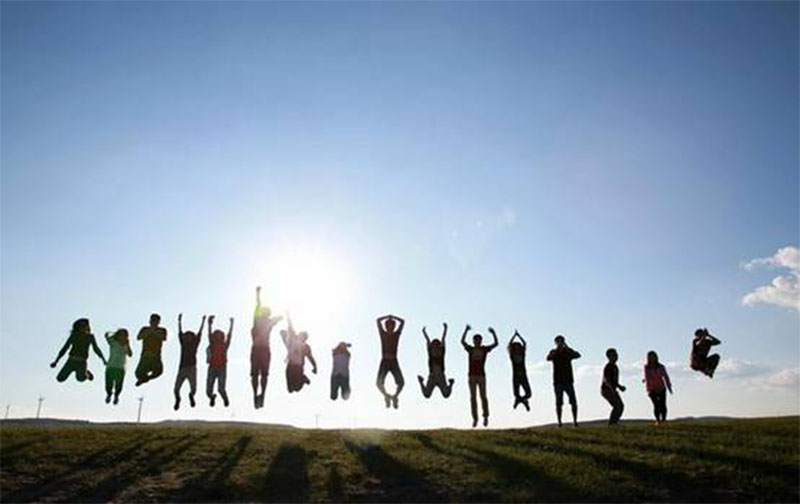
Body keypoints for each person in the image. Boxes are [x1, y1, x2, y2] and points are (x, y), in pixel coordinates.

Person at [251, 286, 283, 409]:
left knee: (263, 374)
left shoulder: (268, 321)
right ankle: (256, 395)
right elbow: (258, 305)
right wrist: (258, 294)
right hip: (258, 349)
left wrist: (280, 317)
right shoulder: (258, 320)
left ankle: (261, 395)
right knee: (255, 374)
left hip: (263, 349)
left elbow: (279, 317)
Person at [461, 325, 499, 427]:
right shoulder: (470, 349)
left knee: (483, 396)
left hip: (481, 376)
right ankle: (475, 419)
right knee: (473, 397)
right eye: (475, 340)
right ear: (473, 341)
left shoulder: (484, 349)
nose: (477, 342)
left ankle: (485, 416)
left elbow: (496, 344)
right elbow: (462, 342)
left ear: (481, 341)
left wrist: (493, 333)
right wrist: (466, 331)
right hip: (472, 376)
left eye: (479, 340)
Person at [50, 318, 106, 383]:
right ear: (78, 328)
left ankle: (86, 373)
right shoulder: (74, 336)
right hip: (71, 361)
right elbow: (64, 348)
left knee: (80, 379)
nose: (83, 329)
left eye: (85, 327)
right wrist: (56, 361)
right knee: (60, 378)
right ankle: (83, 372)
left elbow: (96, 349)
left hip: (81, 362)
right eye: (81, 327)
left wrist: (103, 359)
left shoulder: (90, 337)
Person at [546, 335, 581, 427]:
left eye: (561, 341)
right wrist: (557, 351)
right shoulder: (554, 352)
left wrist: (567, 348)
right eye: (558, 342)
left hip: (568, 381)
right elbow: (548, 358)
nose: (560, 343)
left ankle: (575, 421)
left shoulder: (567, 352)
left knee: (573, 401)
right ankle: (559, 422)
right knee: (559, 403)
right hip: (558, 381)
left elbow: (578, 355)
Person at [174, 313, 205, 410]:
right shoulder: (183, 344)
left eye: (189, 336)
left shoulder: (195, 344)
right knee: (176, 389)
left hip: (192, 368)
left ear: (192, 337)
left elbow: (200, 333)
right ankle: (178, 399)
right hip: (182, 368)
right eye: (186, 336)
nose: (187, 338)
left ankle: (191, 396)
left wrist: (203, 321)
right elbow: (180, 332)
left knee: (193, 389)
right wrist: (179, 321)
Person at [281, 313, 317, 393]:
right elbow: (290, 327)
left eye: (304, 337)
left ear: (305, 339)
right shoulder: (292, 340)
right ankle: (302, 379)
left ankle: (303, 378)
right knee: (290, 390)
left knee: (297, 388)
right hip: (290, 366)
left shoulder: (305, 346)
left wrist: (315, 366)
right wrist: (288, 317)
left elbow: (310, 357)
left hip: (298, 367)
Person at [376, 314, 405, 409]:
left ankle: (395, 397)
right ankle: (387, 396)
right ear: (386, 327)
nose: (390, 328)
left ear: (393, 327)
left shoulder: (396, 335)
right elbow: (378, 320)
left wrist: (393, 316)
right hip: (384, 361)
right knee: (378, 383)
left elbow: (402, 322)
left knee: (401, 383)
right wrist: (387, 316)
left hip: (393, 361)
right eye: (388, 326)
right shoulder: (383, 334)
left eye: (392, 326)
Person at [418, 323, 455, 399]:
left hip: (441, 376)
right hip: (432, 376)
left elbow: (443, 339)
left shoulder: (442, 352)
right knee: (427, 395)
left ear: (439, 346)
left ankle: (451, 383)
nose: (435, 348)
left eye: (437, 346)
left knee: (446, 394)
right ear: (432, 347)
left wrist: (445, 329)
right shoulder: (430, 352)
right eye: (434, 346)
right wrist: (424, 332)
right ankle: (421, 381)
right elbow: (427, 340)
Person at [206, 315, 233, 407]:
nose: (217, 337)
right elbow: (209, 334)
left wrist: (231, 324)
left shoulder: (224, 345)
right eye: (216, 335)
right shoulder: (212, 343)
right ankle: (212, 397)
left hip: (222, 368)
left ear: (221, 336)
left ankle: (225, 399)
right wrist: (209, 324)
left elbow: (229, 336)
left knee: (221, 389)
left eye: (219, 335)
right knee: (208, 391)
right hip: (212, 368)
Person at [135, 313, 167, 386]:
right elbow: (139, 337)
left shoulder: (162, 330)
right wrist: (150, 331)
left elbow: (163, 338)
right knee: (138, 373)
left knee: (158, 371)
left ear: (159, 322)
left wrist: (154, 331)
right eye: (153, 320)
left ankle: (146, 378)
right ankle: (143, 379)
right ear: (150, 321)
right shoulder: (145, 329)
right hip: (146, 355)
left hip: (156, 355)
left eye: (156, 321)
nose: (154, 322)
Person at [643, 350, 672, 424]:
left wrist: (669, 387)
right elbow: (647, 377)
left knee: (663, 404)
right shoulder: (646, 367)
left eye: (653, 357)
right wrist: (648, 389)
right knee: (656, 404)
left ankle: (664, 420)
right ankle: (658, 420)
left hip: (661, 388)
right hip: (652, 389)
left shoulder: (661, 367)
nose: (652, 359)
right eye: (650, 357)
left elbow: (666, 377)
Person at [104, 329, 132, 405]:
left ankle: (116, 396)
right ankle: (109, 394)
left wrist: (128, 344)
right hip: (111, 366)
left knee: (119, 385)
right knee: (108, 384)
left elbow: (130, 354)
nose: (123, 337)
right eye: (121, 335)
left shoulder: (126, 345)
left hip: (120, 368)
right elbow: (106, 336)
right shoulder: (113, 342)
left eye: (125, 336)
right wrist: (111, 334)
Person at [508, 330, 532, 411]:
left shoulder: (522, 354)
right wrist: (514, 336)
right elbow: (509, 345)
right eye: (516, 347)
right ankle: (523, 401)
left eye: (518, 347)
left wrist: (519, 336)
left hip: (523, 375)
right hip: (516, 376)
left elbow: (524, 343)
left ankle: (522, 401)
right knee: (516, 394)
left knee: (528, 394)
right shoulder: (512, 355)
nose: (517, 348)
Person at [601, 348, 626, 425]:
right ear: (609, 357)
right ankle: (612, 423)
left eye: (616, 354)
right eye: (614, 355)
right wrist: (611, 389)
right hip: (606, 390)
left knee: (621, 406)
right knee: (617, 406)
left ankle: (614, 422)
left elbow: (614, 381)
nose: (616, 356)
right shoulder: (608, 366)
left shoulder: (615, 367)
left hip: (612, 389)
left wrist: (619, 386)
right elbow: (606, 380)